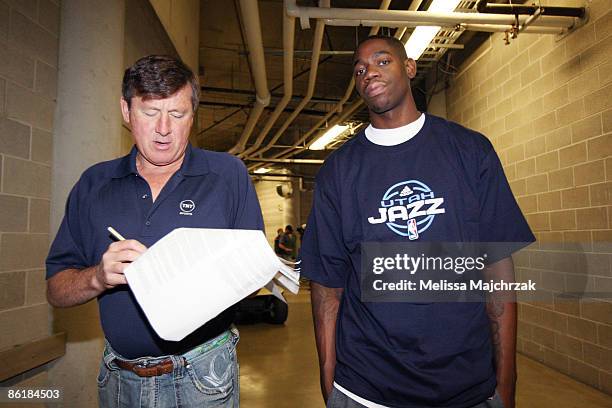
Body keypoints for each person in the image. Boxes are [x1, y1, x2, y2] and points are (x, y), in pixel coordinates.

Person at [300, 35, 535, 408]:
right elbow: (327, 287)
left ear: (409, 68)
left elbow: (498, 270)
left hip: (467, 386)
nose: (369, 73)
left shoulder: (470, 151)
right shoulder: (338, 172)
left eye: (382, 61)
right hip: (367, 389)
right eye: (359, 69)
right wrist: (329, 380)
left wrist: (506, 380)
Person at [46, 55, 264, 408]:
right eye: (150, 113)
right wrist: (98, 278)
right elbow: (56, 289)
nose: (163, 128)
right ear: (126, 110)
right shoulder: (94, 184)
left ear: (192, 115)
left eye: (177, 114)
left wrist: (193, 277)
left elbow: (254, 275)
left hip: (204, 374)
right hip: (120, 380)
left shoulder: (228, 176)